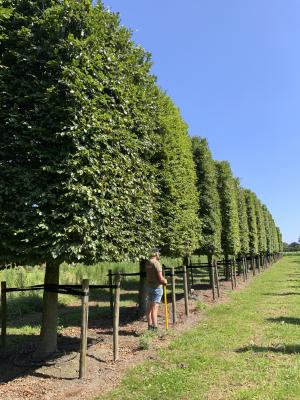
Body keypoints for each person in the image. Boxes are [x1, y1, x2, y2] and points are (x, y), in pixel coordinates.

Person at [145, 248, 167, 332]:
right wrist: (165, 281)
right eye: (158, 252)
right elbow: (160, 278)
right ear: (156, 253)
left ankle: (150, 326)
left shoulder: (147, 263)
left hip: (149, 287)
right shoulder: (157, 263)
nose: (159, 254)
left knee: (149, 307)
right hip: (156, 288)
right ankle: (155, 328)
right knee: (155, 308)